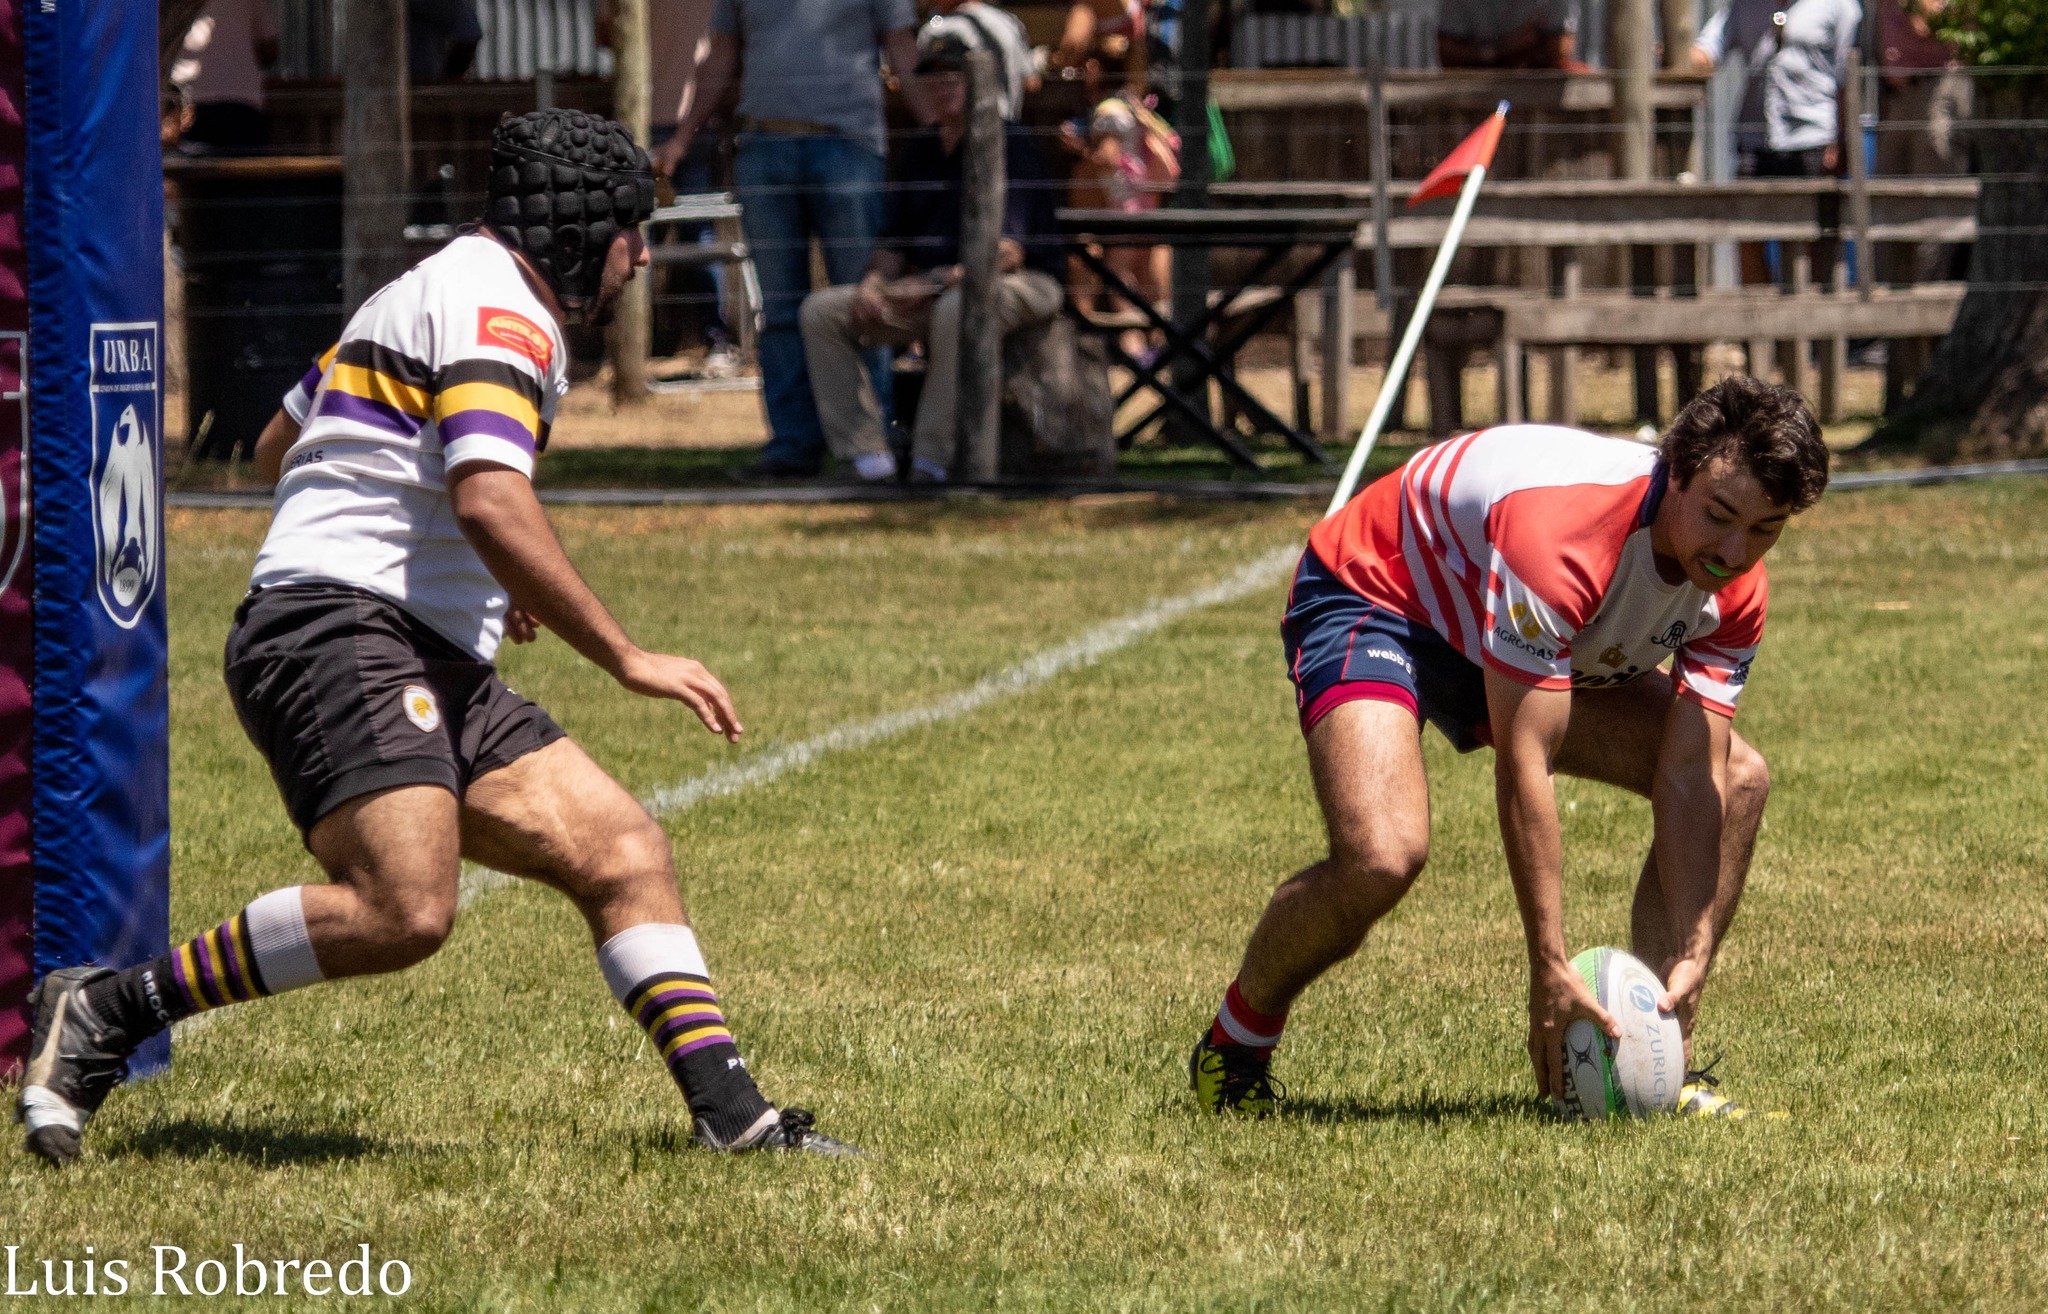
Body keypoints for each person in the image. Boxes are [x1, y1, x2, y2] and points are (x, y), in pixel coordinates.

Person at [16, 110, 855, 1168]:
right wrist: (628, 656)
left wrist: (464, 579)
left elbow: (285, 440)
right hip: (338, 631)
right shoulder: (507, 312)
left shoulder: (423, 287)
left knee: (624, 851)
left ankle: (735, 1119)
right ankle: (108, 1008)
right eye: (631, 231)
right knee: (405, 908)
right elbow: (489, 498)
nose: (640, 256)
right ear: (579, 230)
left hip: (402, 637)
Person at [1188, 378, 1831, 1121]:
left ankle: (1660, 1055)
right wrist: (1548, 966)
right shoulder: (1563, 534)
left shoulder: (1736, 586)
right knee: (1382, 855)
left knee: (1740, 779)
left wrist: (1695, 945)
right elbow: (1526, 763)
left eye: (1765, 529)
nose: (1733, 551)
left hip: (1519, 628)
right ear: (1676, 470)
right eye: (1719, 516)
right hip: (1384, 597)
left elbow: (1691, 772)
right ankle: (1234, 1049)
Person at [656, 0, 936, 480]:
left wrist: (938, 130)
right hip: (764, 146)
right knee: (781, 310)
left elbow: (902, 49)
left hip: (849, 144)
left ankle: (873, 448)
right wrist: (682, 138)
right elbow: (721, 56)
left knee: (864, 304)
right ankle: (791, 448)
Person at [796, 35, 1063, 485]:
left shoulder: (1012, 144)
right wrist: (873, 284)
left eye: (953, 78)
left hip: (1023, 283)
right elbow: (893, 242)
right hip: (933, 288)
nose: (942, 88)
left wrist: (936, 282)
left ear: (983, 83)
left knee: (956, 311)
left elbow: (1008, 251)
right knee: (821, 312)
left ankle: (933, 461)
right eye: (933, 79)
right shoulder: (919, 151)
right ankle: (866, 457)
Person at [1692, 0, 1862, 180]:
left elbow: (1847, 80)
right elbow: (1707, 50)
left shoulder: (1839, 6)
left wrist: (1842, 140)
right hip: (1755, 143)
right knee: (1748, 208)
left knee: (1812, 207)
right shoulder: (1745, 5)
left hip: (1813, 140)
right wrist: (1671, 53)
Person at [171, 0, 280, 155]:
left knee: (191, 173)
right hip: (239, 102)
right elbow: (270, 50)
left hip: (191, 101)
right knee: (246, 172)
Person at [919, 0, 1038, 122]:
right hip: (1009, 127)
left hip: (970, 129)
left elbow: (923, 83)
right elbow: (1032, 83)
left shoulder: (941, 28)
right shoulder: (1009, 20)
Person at [1436, 0, 1585, 72]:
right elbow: (1447, 54)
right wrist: (1503, 49)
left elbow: (1558, 52)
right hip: (1470, 105)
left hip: (1541, 108)